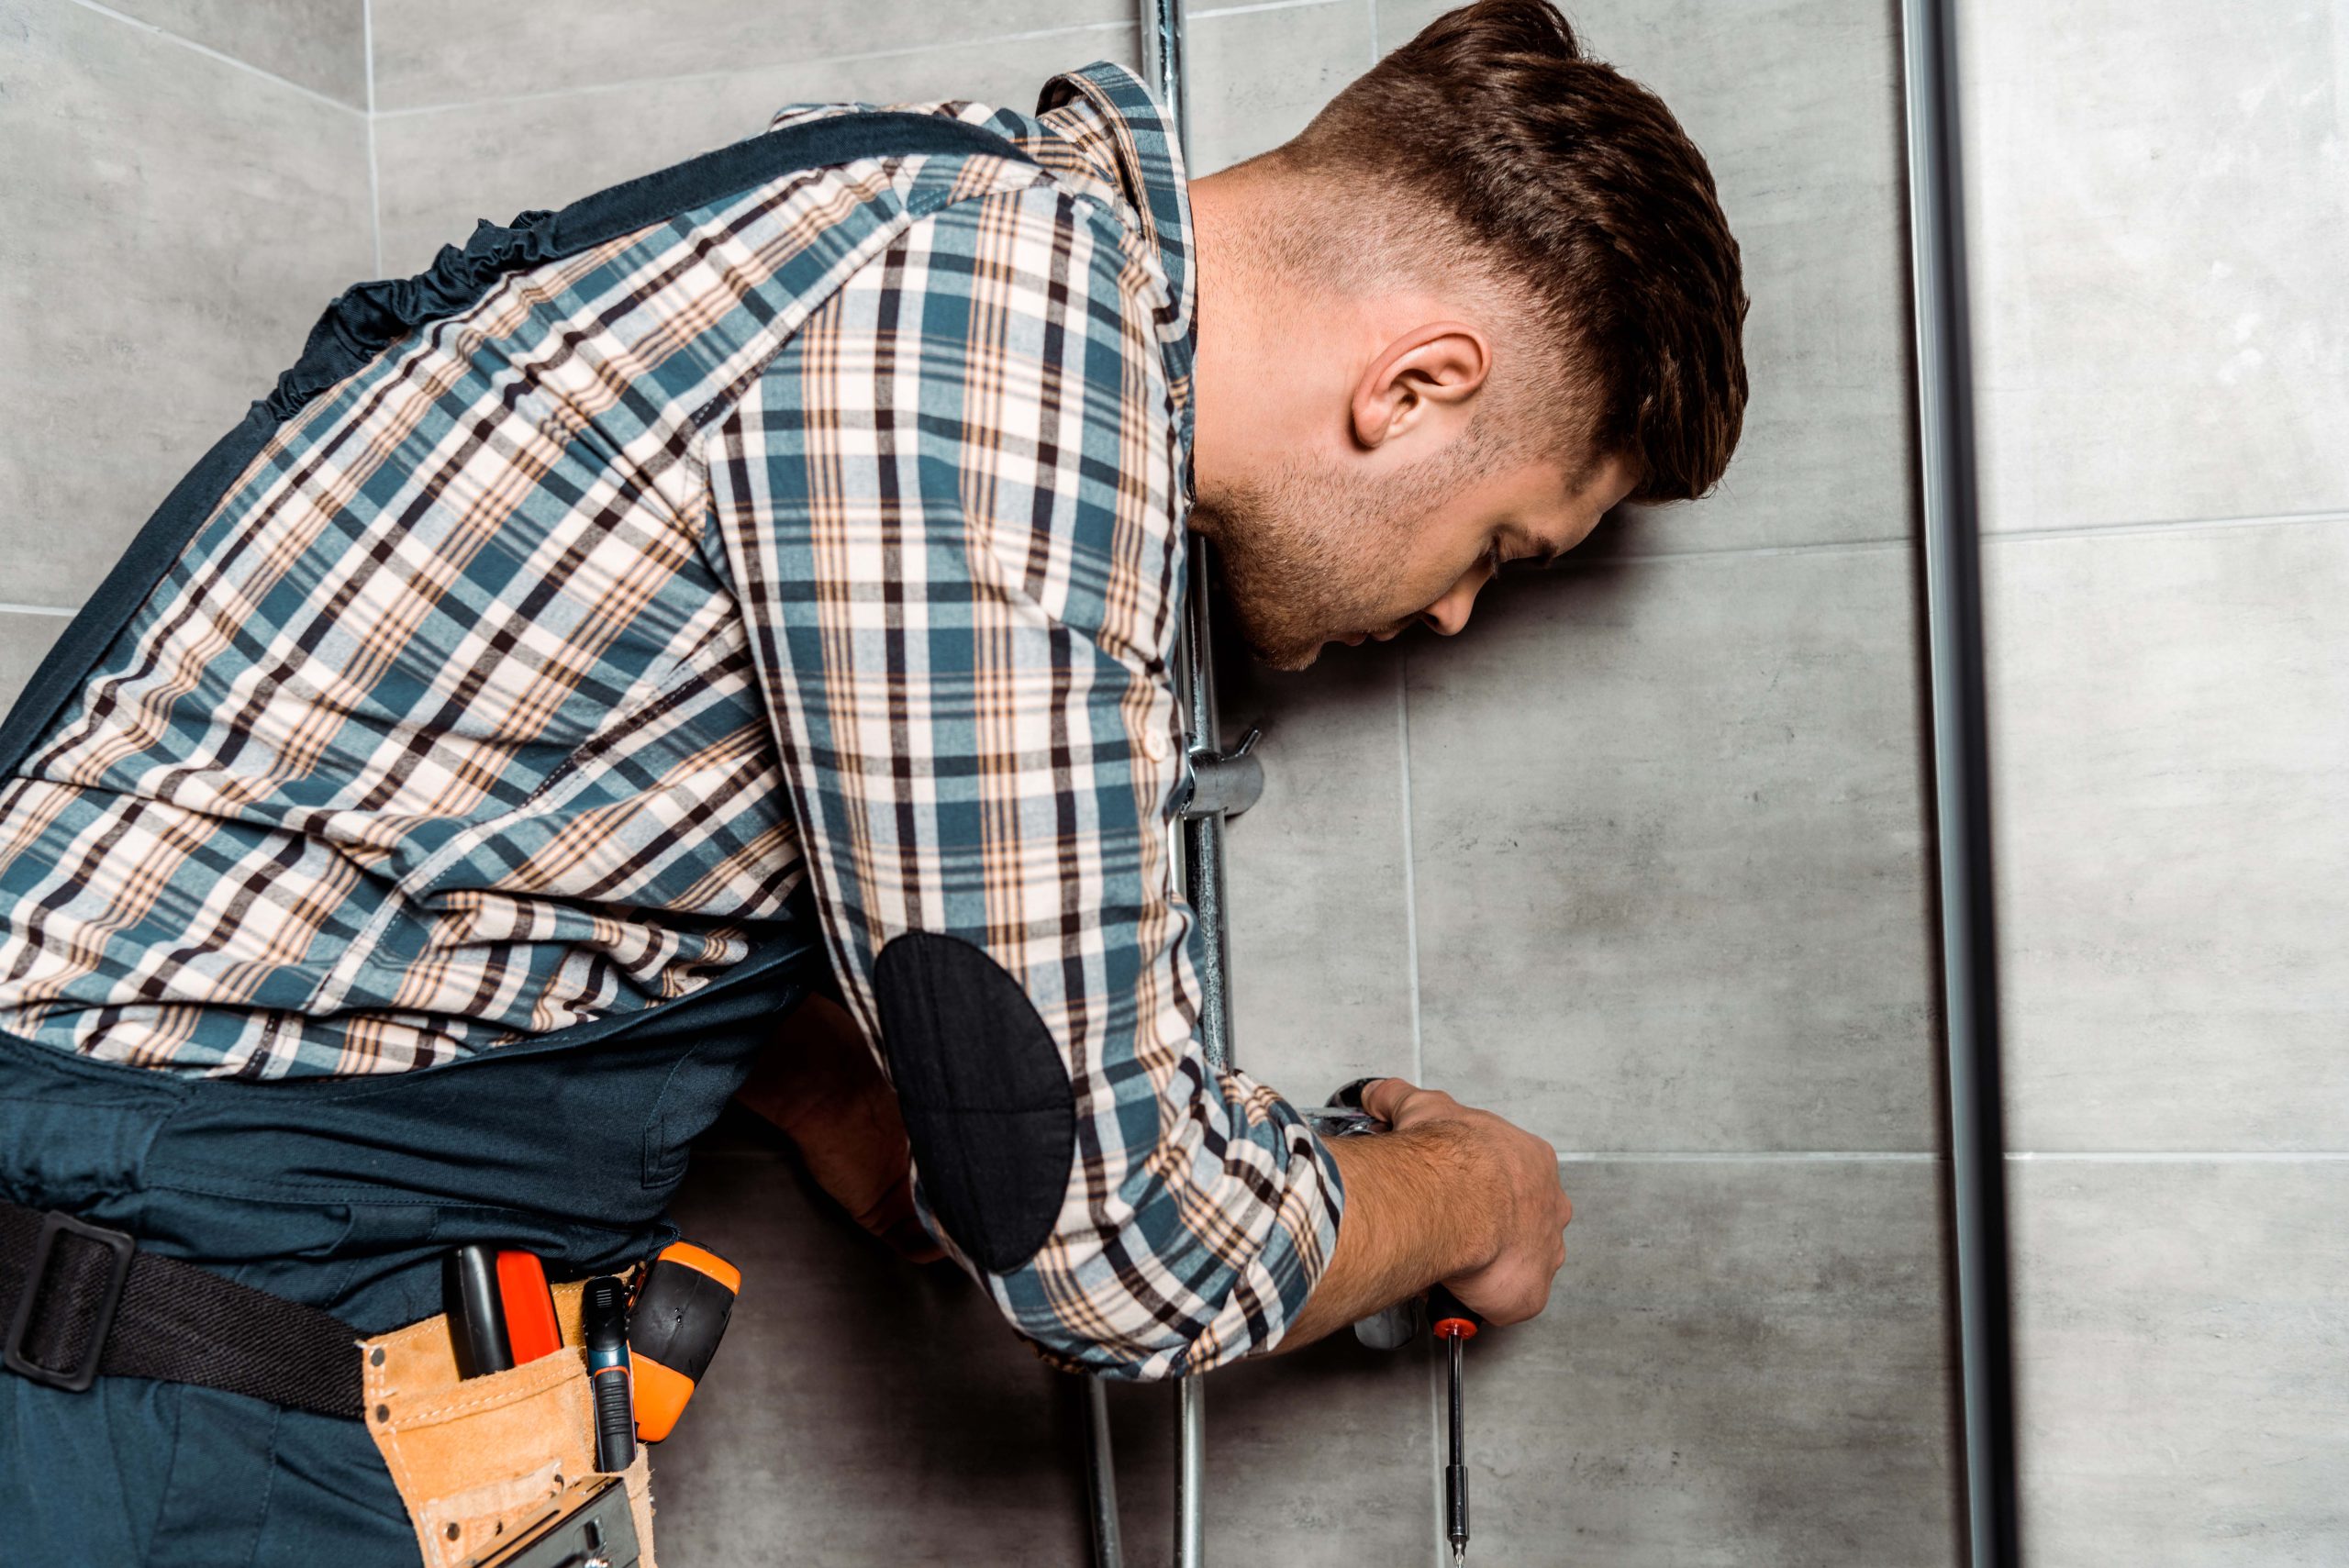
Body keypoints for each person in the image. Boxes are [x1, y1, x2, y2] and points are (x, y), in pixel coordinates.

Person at [0, 0, 1744, 1559]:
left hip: (223, 1320)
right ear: (1420, 385)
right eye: (1502, 544)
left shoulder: (932, 219)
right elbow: (1119, 1245)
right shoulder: (998, 364)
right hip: (171, 1369)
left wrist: (828, 1082)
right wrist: (1476, 1199)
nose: (1450, 604)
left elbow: (511, 788)